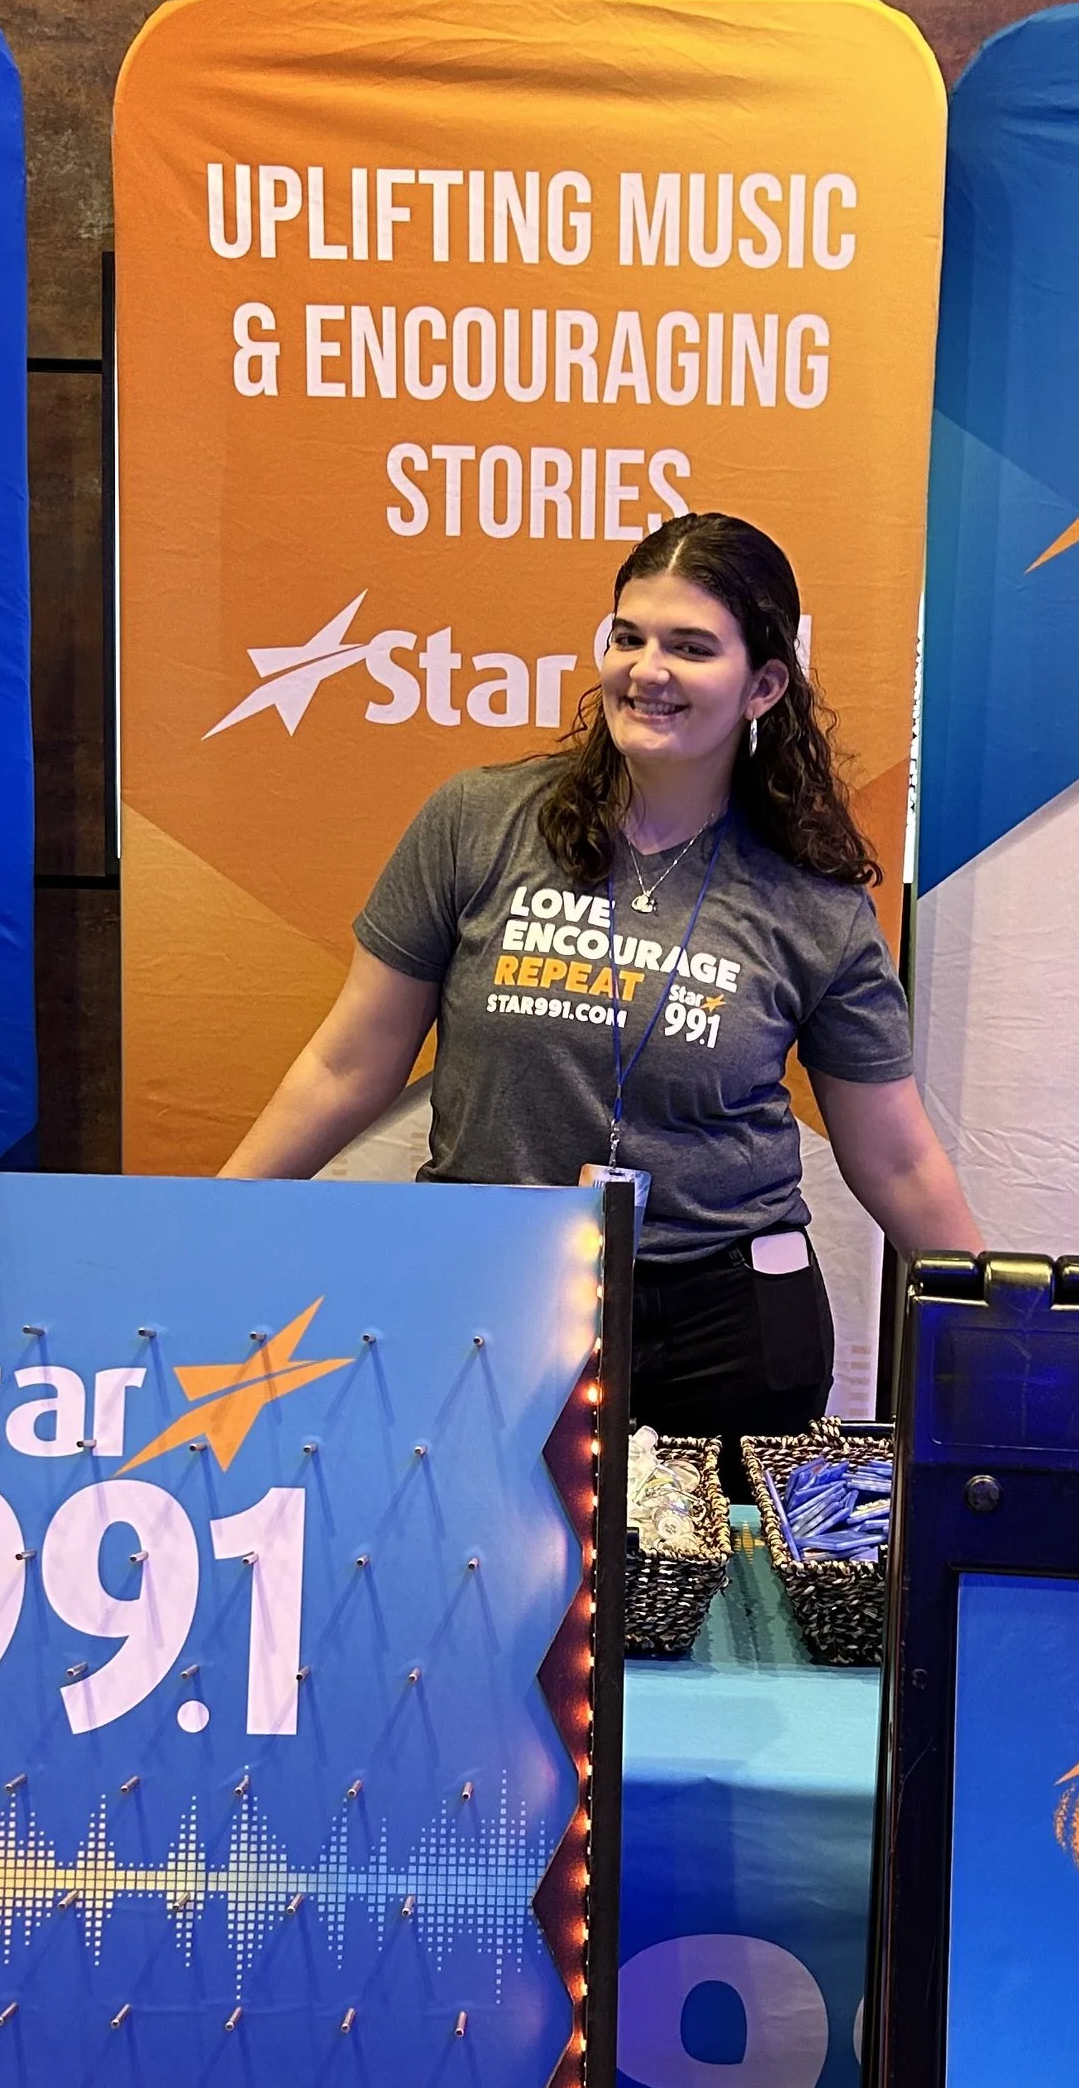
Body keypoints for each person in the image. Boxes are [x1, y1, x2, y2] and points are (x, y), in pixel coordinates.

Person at [222, 512, 983, 1435]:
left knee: (705, 1588)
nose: (647, 670)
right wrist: (218, 1217)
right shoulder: (479, 822)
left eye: (692, 647)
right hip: (483, 1293)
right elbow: (349, 1065)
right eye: (630, 636)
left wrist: (1000, 1323)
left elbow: (896, 1156)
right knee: (475, 1576)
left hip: (726, 1324)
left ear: (764, 685)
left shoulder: (811, 899)